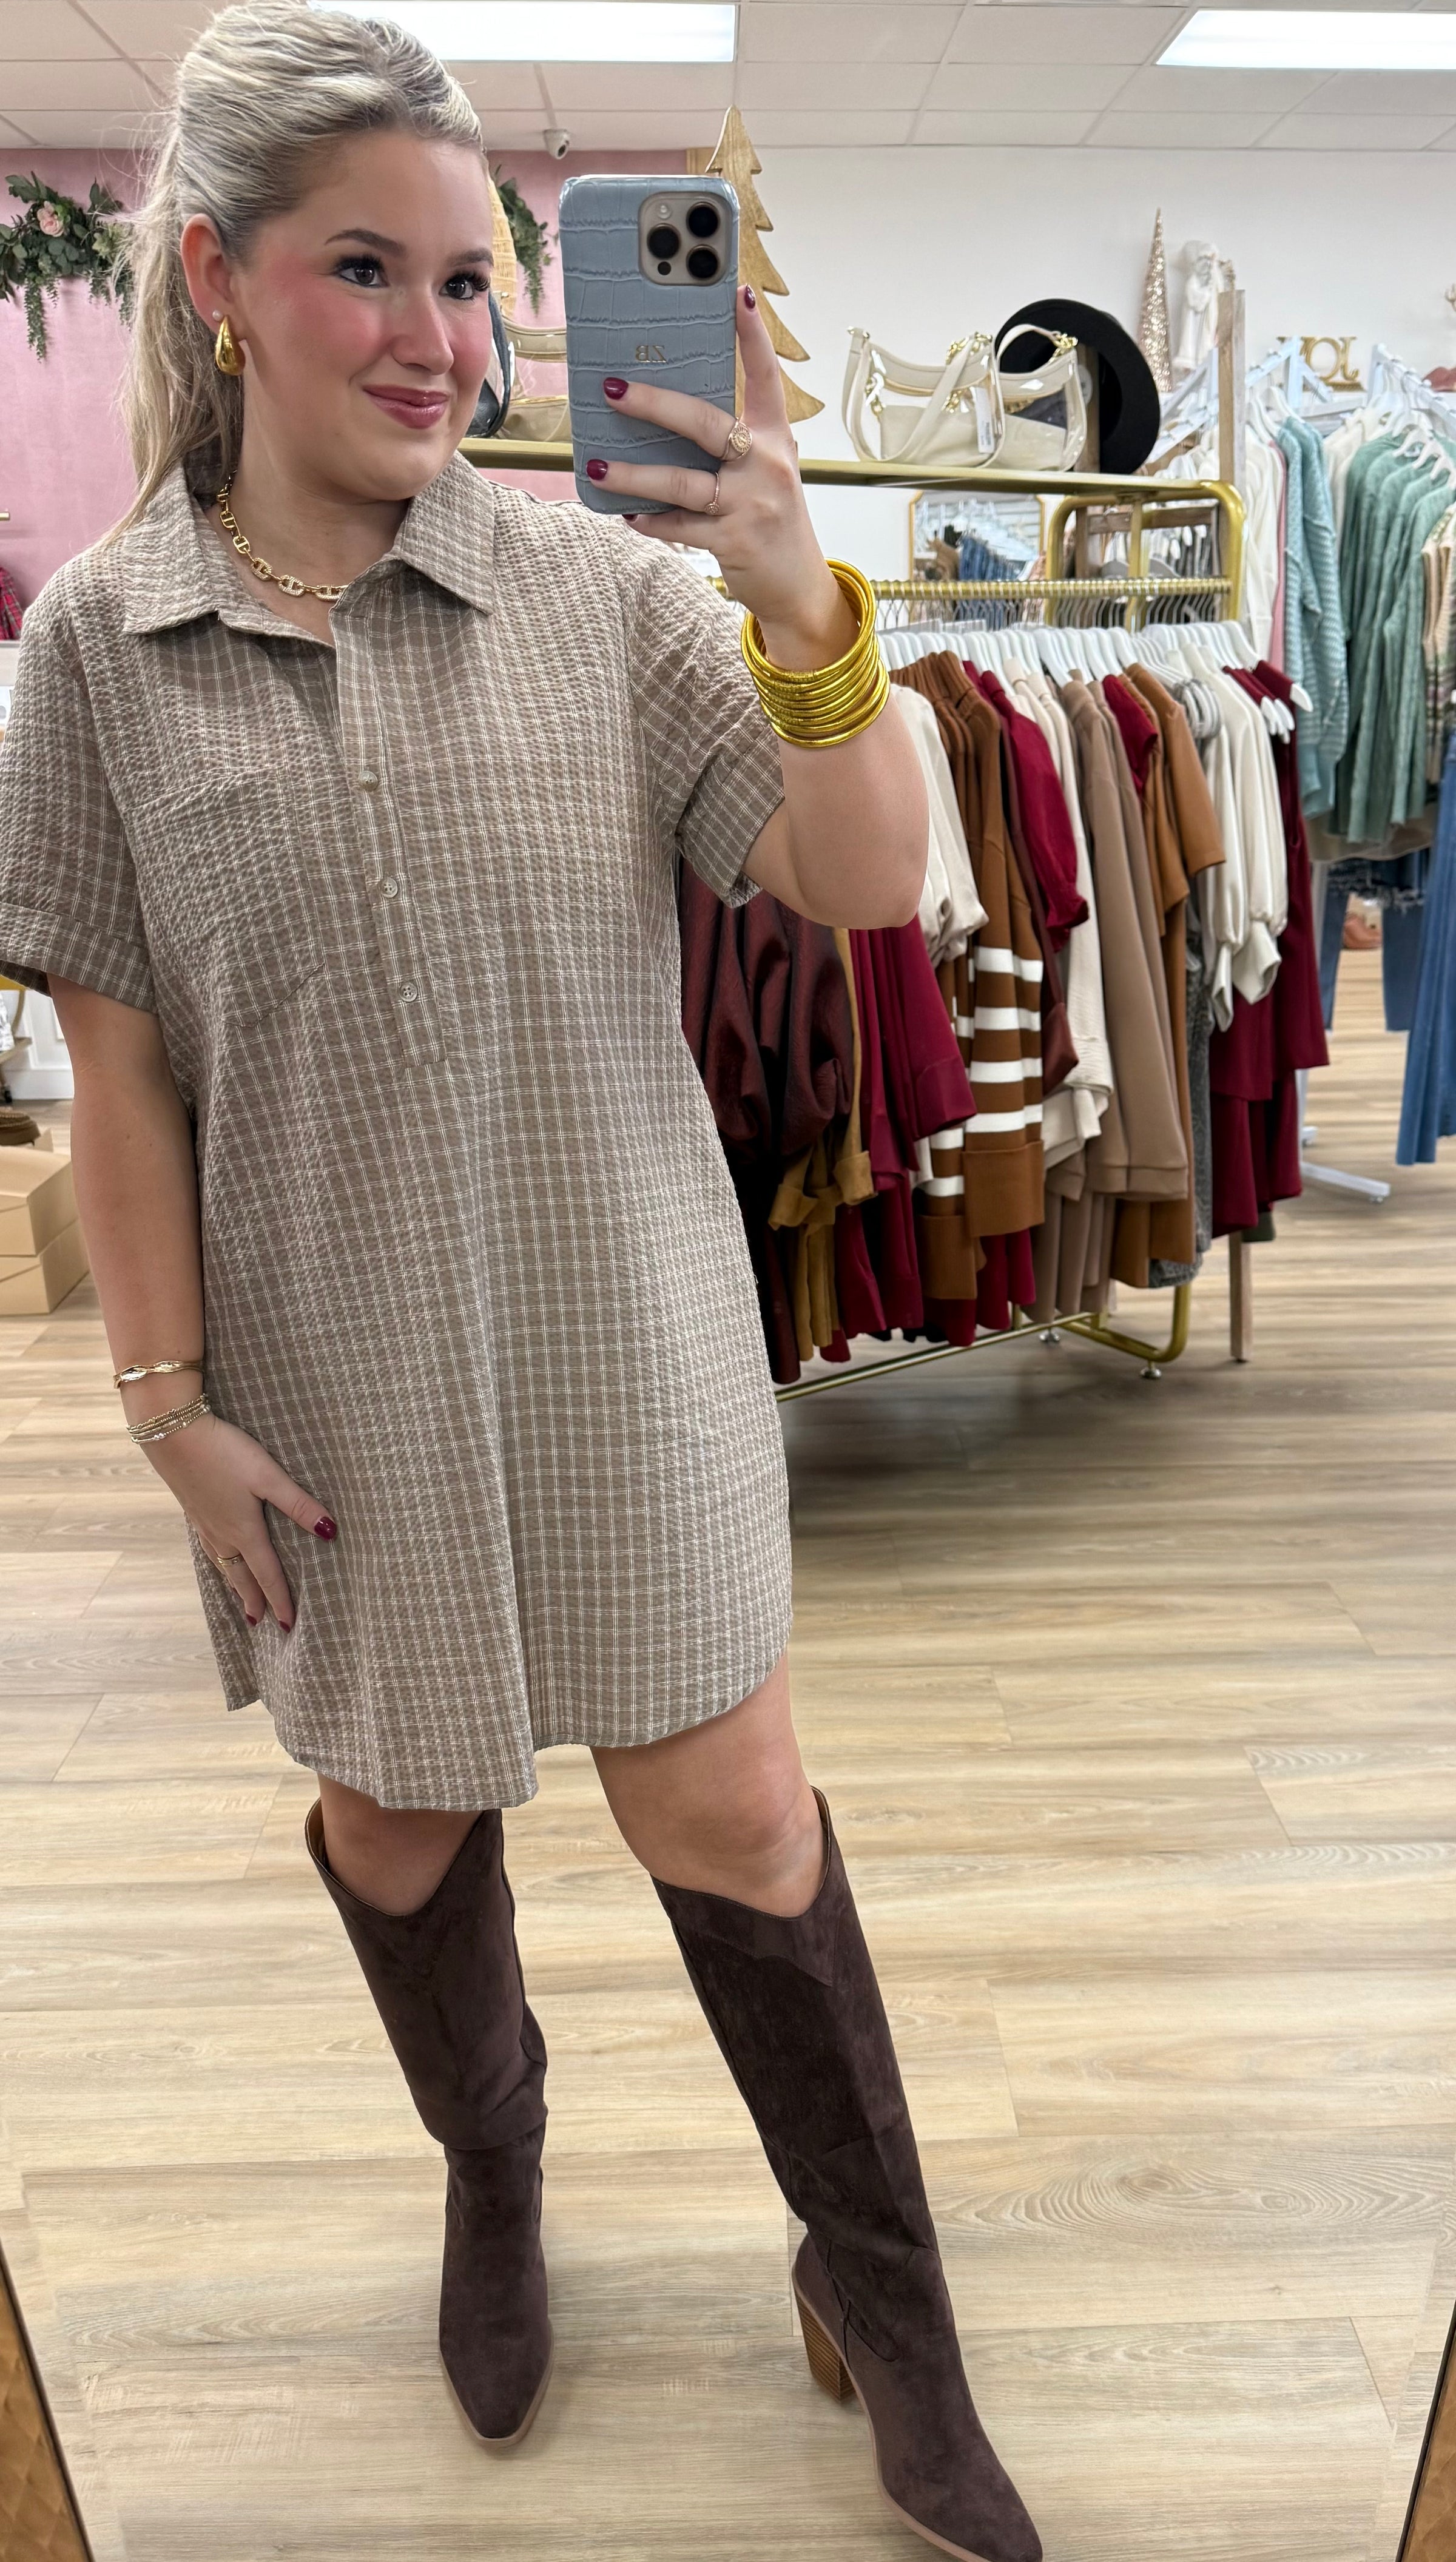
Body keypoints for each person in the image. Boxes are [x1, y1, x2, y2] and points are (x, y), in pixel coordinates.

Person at [0, 8, 1040, 2558]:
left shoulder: (604, 597)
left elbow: (866, 878)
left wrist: (795, 590)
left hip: (628, 1336)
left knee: (737, 1809)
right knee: (392, 1823)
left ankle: (887, 2308)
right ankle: (497, 2160)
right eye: (367, 268)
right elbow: (118, 1078)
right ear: (218, 277)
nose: (438, 338)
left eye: (472, 282)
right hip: (325, 1380)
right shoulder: (97, 654)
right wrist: (164, 1406)